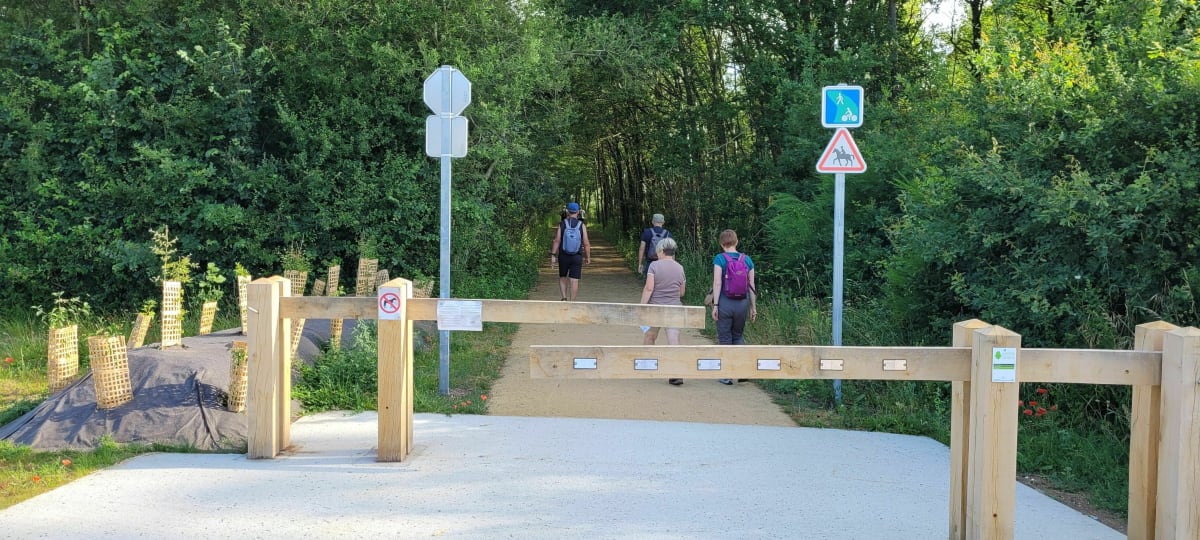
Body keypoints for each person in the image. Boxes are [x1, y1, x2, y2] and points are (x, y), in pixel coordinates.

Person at [710, 229, 756, 385]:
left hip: (725, 302)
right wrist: (753, 307)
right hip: (742, 303)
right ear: (736, 242)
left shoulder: (719, 259)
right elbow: (751, 285)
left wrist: (715, 305)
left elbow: (717, 283)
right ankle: (741, 372)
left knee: (725, 338)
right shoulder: (747, 260)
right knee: (738, 335)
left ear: (721, 244)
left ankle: (726, 375)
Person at [638, 237, 686, 385]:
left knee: (650, 336)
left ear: (661, 251)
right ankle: (675, 373)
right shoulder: (680, 268)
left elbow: (649, 288)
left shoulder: (654, 266)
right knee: (673, 339)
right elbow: (682, 292)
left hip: (656, 307)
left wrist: (642, 306)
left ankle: (647, 366)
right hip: (674, 308)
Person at [550, 202, 591, 301]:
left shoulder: (562, 224)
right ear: (578, 212)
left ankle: (564, 298)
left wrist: (553, 255)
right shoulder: (581, 225)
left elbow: (557, 241)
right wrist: (588, 257)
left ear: (568, 212)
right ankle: (572, 302)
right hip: (576, 256)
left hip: (563, 255)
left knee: (563, 277)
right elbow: (586, 243)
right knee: (574, 280)